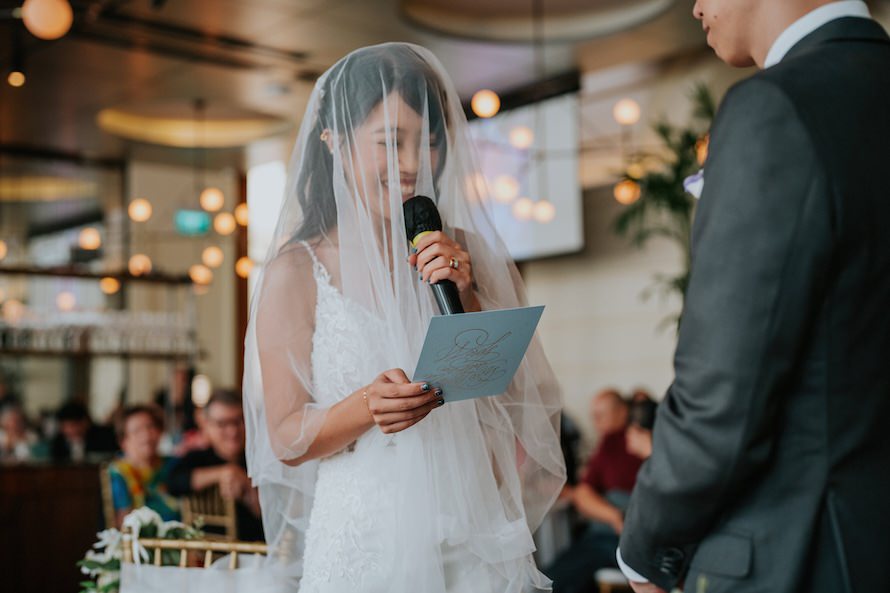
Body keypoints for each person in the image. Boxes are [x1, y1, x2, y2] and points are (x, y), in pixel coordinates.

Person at [242, 43, 565, 592]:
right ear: (335, 143)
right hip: (364, 542)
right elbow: (287, 438)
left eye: (430, 142)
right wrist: (367, 404)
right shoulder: (296, 272)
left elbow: (521, 394)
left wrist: (467, 298)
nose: (414, 163)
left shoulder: (461, 252)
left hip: (468, 530)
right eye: (391, 141)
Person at [617, 2, 890, 592]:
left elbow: (722, 393)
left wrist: (646, 550)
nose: (694, 5)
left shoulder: (773, 106)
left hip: (806, 552)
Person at [545, 390, 644, 593]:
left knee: (553, 581)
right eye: (593, 416)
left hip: (625, 536)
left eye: (601, 415)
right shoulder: (608, 444)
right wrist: (614, 516)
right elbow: (583, 494)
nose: (595, 422)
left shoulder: (627, 441)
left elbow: (583, 495)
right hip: (614, 530)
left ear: (623, 411)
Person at [168, 389, 263, 541]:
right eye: (222, 423)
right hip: (206, 554)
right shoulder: (196, 458)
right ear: (207, 425)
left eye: (238, 421)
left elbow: (277, 516)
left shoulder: (261, 460)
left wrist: (245, 485)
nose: (232, 431)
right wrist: (223, 473)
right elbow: (174, 482)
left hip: (256, 552)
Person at [107, 405, 179, 526]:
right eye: (137, 431)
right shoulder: (118, 473)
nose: (146, 436)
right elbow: (123, 526)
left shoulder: (172, 464)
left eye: (151, 427)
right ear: (123, 441)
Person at [50, 401, 117, 462]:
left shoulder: (104, 437)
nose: (69, 431)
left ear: (85, 422)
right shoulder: (58, 443)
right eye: (64, 427)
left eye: (73, 425)